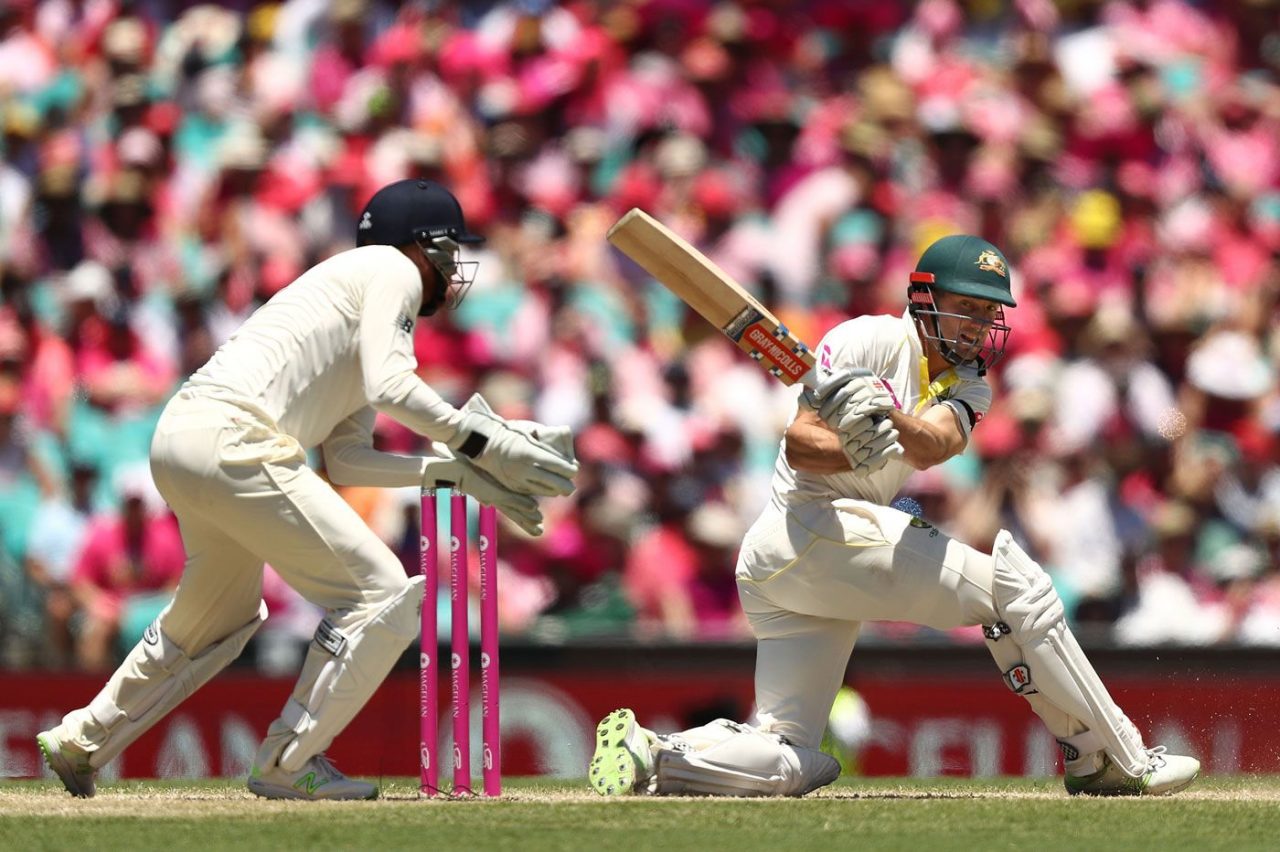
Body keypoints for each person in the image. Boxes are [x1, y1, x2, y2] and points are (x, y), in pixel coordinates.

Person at [589, 235, 1199, 798]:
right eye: (968, 307)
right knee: (1016, 587)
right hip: (809, 528)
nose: (981, 325)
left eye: (991, 313)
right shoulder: (866, 341)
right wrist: (854, 442)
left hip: (815, 565)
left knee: (794, 754)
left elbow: (934, 444)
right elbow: (802, 445)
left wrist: (887, 422)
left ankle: (656, 755)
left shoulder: (970, 383)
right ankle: (1113, 757)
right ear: (925, 297)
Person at [37, 179, 579, 800]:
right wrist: (478, 442)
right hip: (236, 440)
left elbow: (347, 461)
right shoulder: (390, 270)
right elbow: (392, 389)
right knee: (378, 593)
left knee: (219, 617)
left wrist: (456, 474)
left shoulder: (357, 303)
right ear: (418, 246)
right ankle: (290, 763)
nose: (454, 269)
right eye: (448, 251)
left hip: (186, 438)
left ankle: (83, 737)